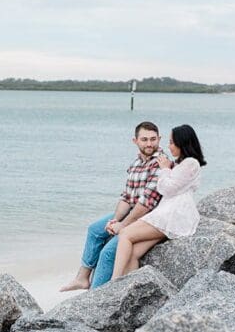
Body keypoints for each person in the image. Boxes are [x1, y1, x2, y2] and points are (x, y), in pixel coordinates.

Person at [60, 121, 164, 292]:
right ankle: (82, 278)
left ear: (159, 139)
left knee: (108, 252)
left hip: (147, 217)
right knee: (95, 230)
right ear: (135, 141)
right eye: (144, 139)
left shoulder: (161, 164)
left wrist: (122, 225)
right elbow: (126, 198)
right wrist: (115, 220)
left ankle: (94, 295)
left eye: (153, 139)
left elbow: (145, 204)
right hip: (132, 211)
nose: (149, 144)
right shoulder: (136, 163)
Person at [111, 124, 206, 280]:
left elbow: (166, 189)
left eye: (172, 142)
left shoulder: (191, 163)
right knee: (134, 252)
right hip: (167, 213)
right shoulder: (182, 163)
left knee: (125, 233)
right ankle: (130, 287)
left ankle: (114, 281)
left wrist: (164, 169)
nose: (169, 146)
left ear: (182, 143)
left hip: (173, 215)